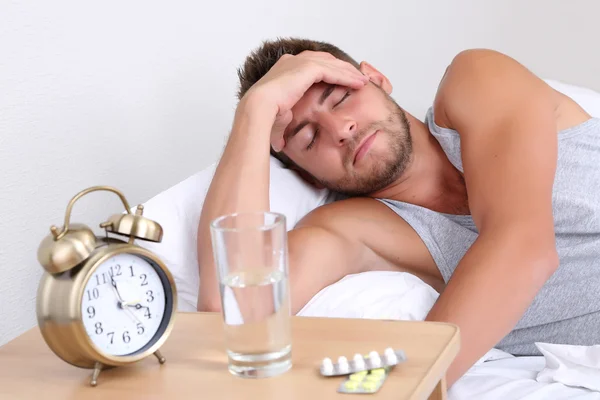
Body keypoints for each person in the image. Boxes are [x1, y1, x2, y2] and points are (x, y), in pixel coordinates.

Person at [197, 37, 600, 386]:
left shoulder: (476, 81)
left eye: (341, 98)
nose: (340, 129)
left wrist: (407, 389)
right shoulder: (357, 230)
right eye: (309, 137)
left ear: (376, 78)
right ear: (310, 178)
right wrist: (254, 112)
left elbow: (524, 249)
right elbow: (232, 313)